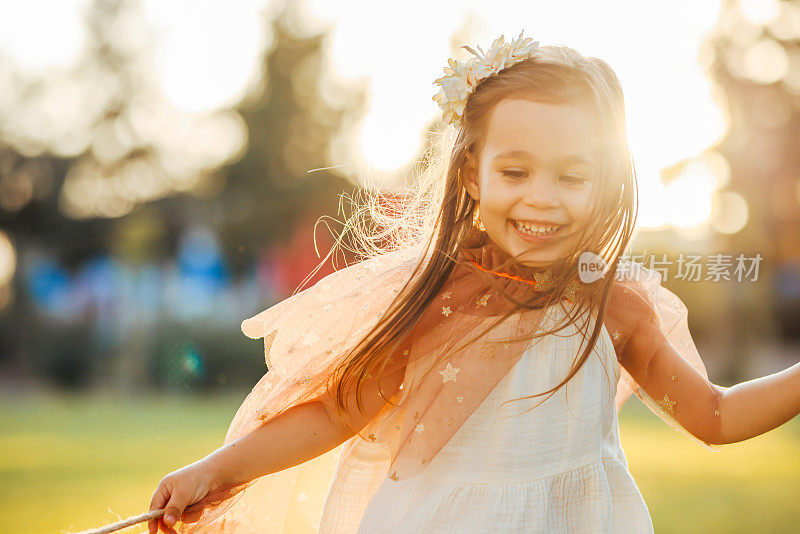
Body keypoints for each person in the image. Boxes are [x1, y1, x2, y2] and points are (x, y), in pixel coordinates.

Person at [148, 31, 800, 533]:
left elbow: (714, 416)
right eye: (516, 172)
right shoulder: (436, 299)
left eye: (571, 177)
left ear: (605, 183)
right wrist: (213, 470)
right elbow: (338, 410)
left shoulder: (616, 306)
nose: (541, 199)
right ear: (471, 174)